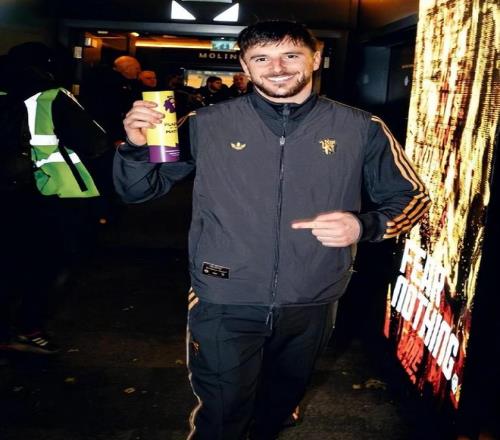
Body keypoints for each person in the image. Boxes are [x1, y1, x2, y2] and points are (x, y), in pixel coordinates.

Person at [114, 20, 431, 440]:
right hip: (224, 294)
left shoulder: (361, 127)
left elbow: (413, 197)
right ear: (245, 66)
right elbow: (139, 191)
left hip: (313, 295)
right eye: (262, 58)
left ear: (315, 59)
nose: (277, 68)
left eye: (290, 55)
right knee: (222, 414)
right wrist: (136, 148)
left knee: (279, 406)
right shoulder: (204, 123)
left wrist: (363, 224)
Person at [0, 42, 109, 356]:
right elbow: (95, 142)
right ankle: (28, 327)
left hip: (6, 193)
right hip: (48, 194)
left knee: (7, 261)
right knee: (46, 264)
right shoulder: (51, 96)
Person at [80, 55, 142, 144]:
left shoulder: (125, 83)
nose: (139, 71)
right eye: (137, 68)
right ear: (126, 68)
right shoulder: (111, 84)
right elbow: (112, 111)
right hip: (109, 132)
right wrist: (116, 137)